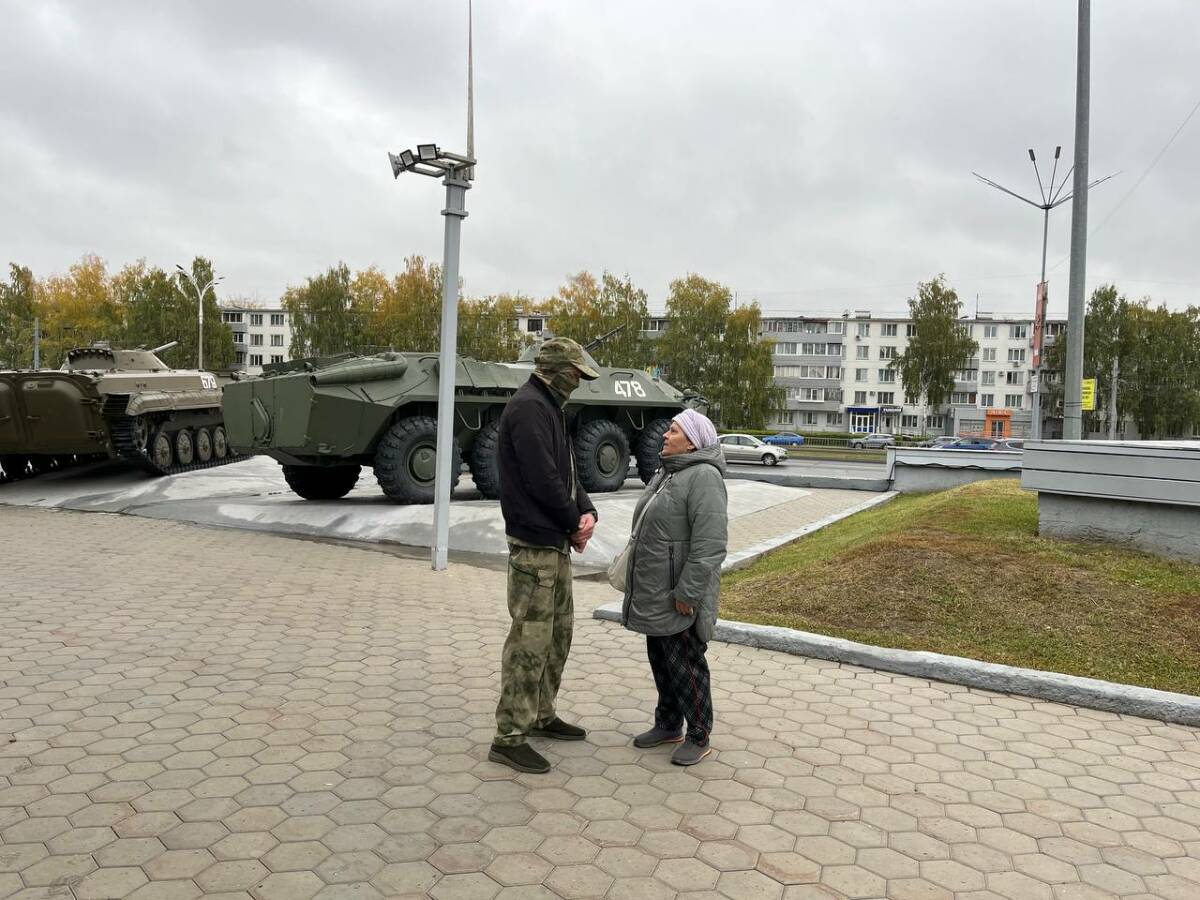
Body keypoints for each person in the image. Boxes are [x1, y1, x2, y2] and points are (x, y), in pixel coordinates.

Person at [490, 337, 600, 774]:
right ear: (556, 370)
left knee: (557, 636)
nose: (578, 382)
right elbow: (542, 478)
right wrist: (573, 522)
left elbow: (566, 472)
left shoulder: (550, 407)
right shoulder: (528, 408)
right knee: (529, 643)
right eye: (575, 374)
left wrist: (586, 510)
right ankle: (509, 737)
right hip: (534, 547)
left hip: (554, 544)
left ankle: (541, 714)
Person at [621, 408, 728, 765]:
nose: (665, 436)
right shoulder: (668, 472)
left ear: (692, 442)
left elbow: (710, 544)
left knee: (686, 665)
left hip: (679, 594)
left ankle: (699, 734)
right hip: (657, 590)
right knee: (662, 661)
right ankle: (668, 724)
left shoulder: (704, 477)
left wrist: (688, 592)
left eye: (673, 431)